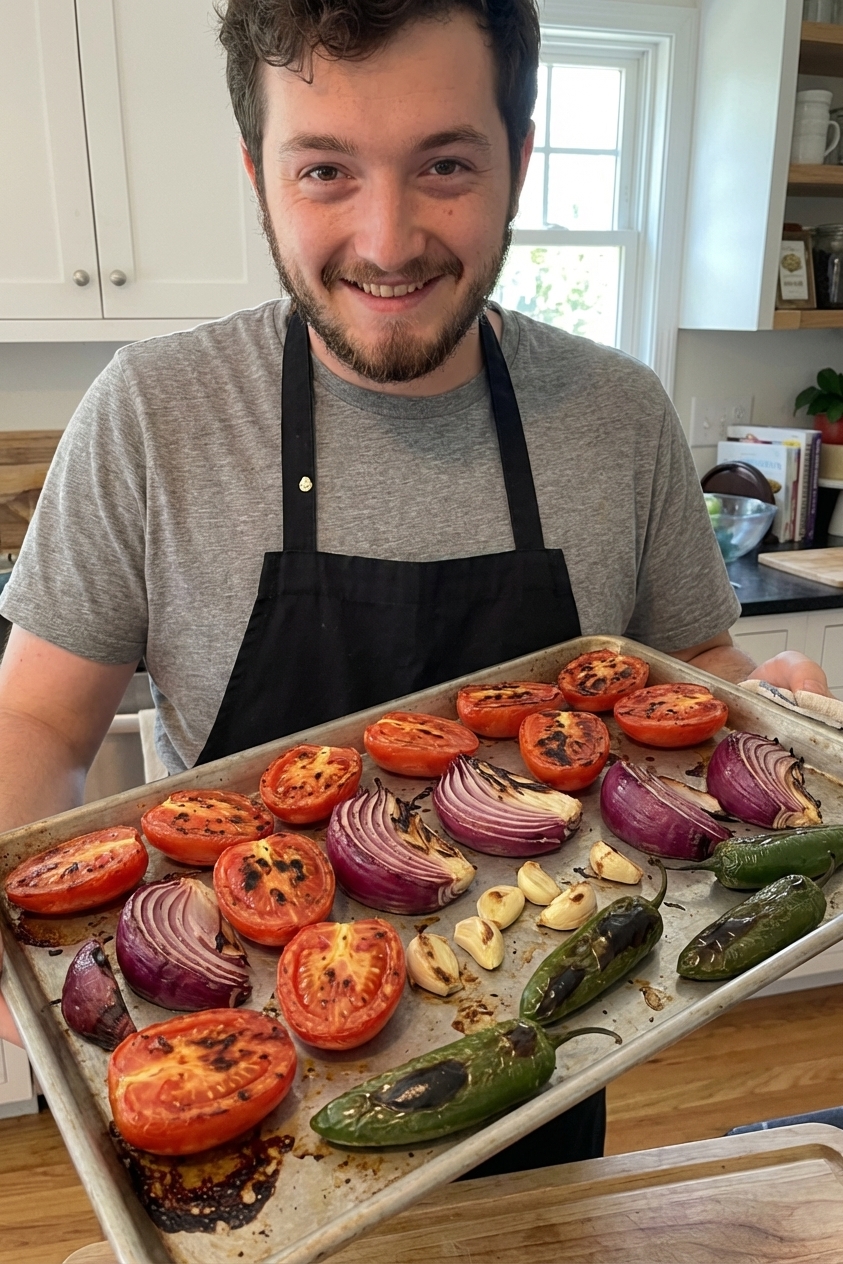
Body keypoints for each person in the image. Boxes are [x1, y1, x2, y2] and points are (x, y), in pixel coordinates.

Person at [0, 0, 830, 1172]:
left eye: (445, 164)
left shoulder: (618, 413)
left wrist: (765, 711)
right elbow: (36, 715)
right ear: (257, 175)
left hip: (542, 1032)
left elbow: (689, 676)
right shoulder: (152, 413)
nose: (387, 240)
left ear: (519, 161)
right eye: (325, 170)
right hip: (236, 1097)